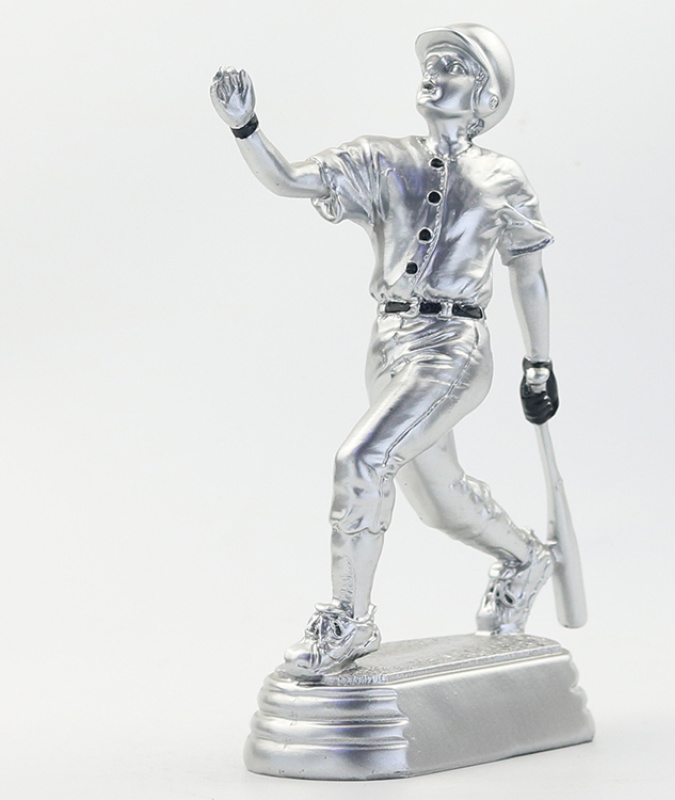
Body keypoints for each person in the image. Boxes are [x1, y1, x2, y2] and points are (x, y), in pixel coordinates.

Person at [211, 23, 561, 677]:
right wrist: (246, 126)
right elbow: (288, 180)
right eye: (432, 63)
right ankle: (525, 558)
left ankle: (350, 620)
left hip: (454, 348)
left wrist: (538, 364)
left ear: (485, 97)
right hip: (388, 344)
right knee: (441, 500)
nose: (433, 73)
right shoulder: (381, 157)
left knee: (363, 459)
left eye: (452, 65)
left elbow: (528, 272)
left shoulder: (503, 178)